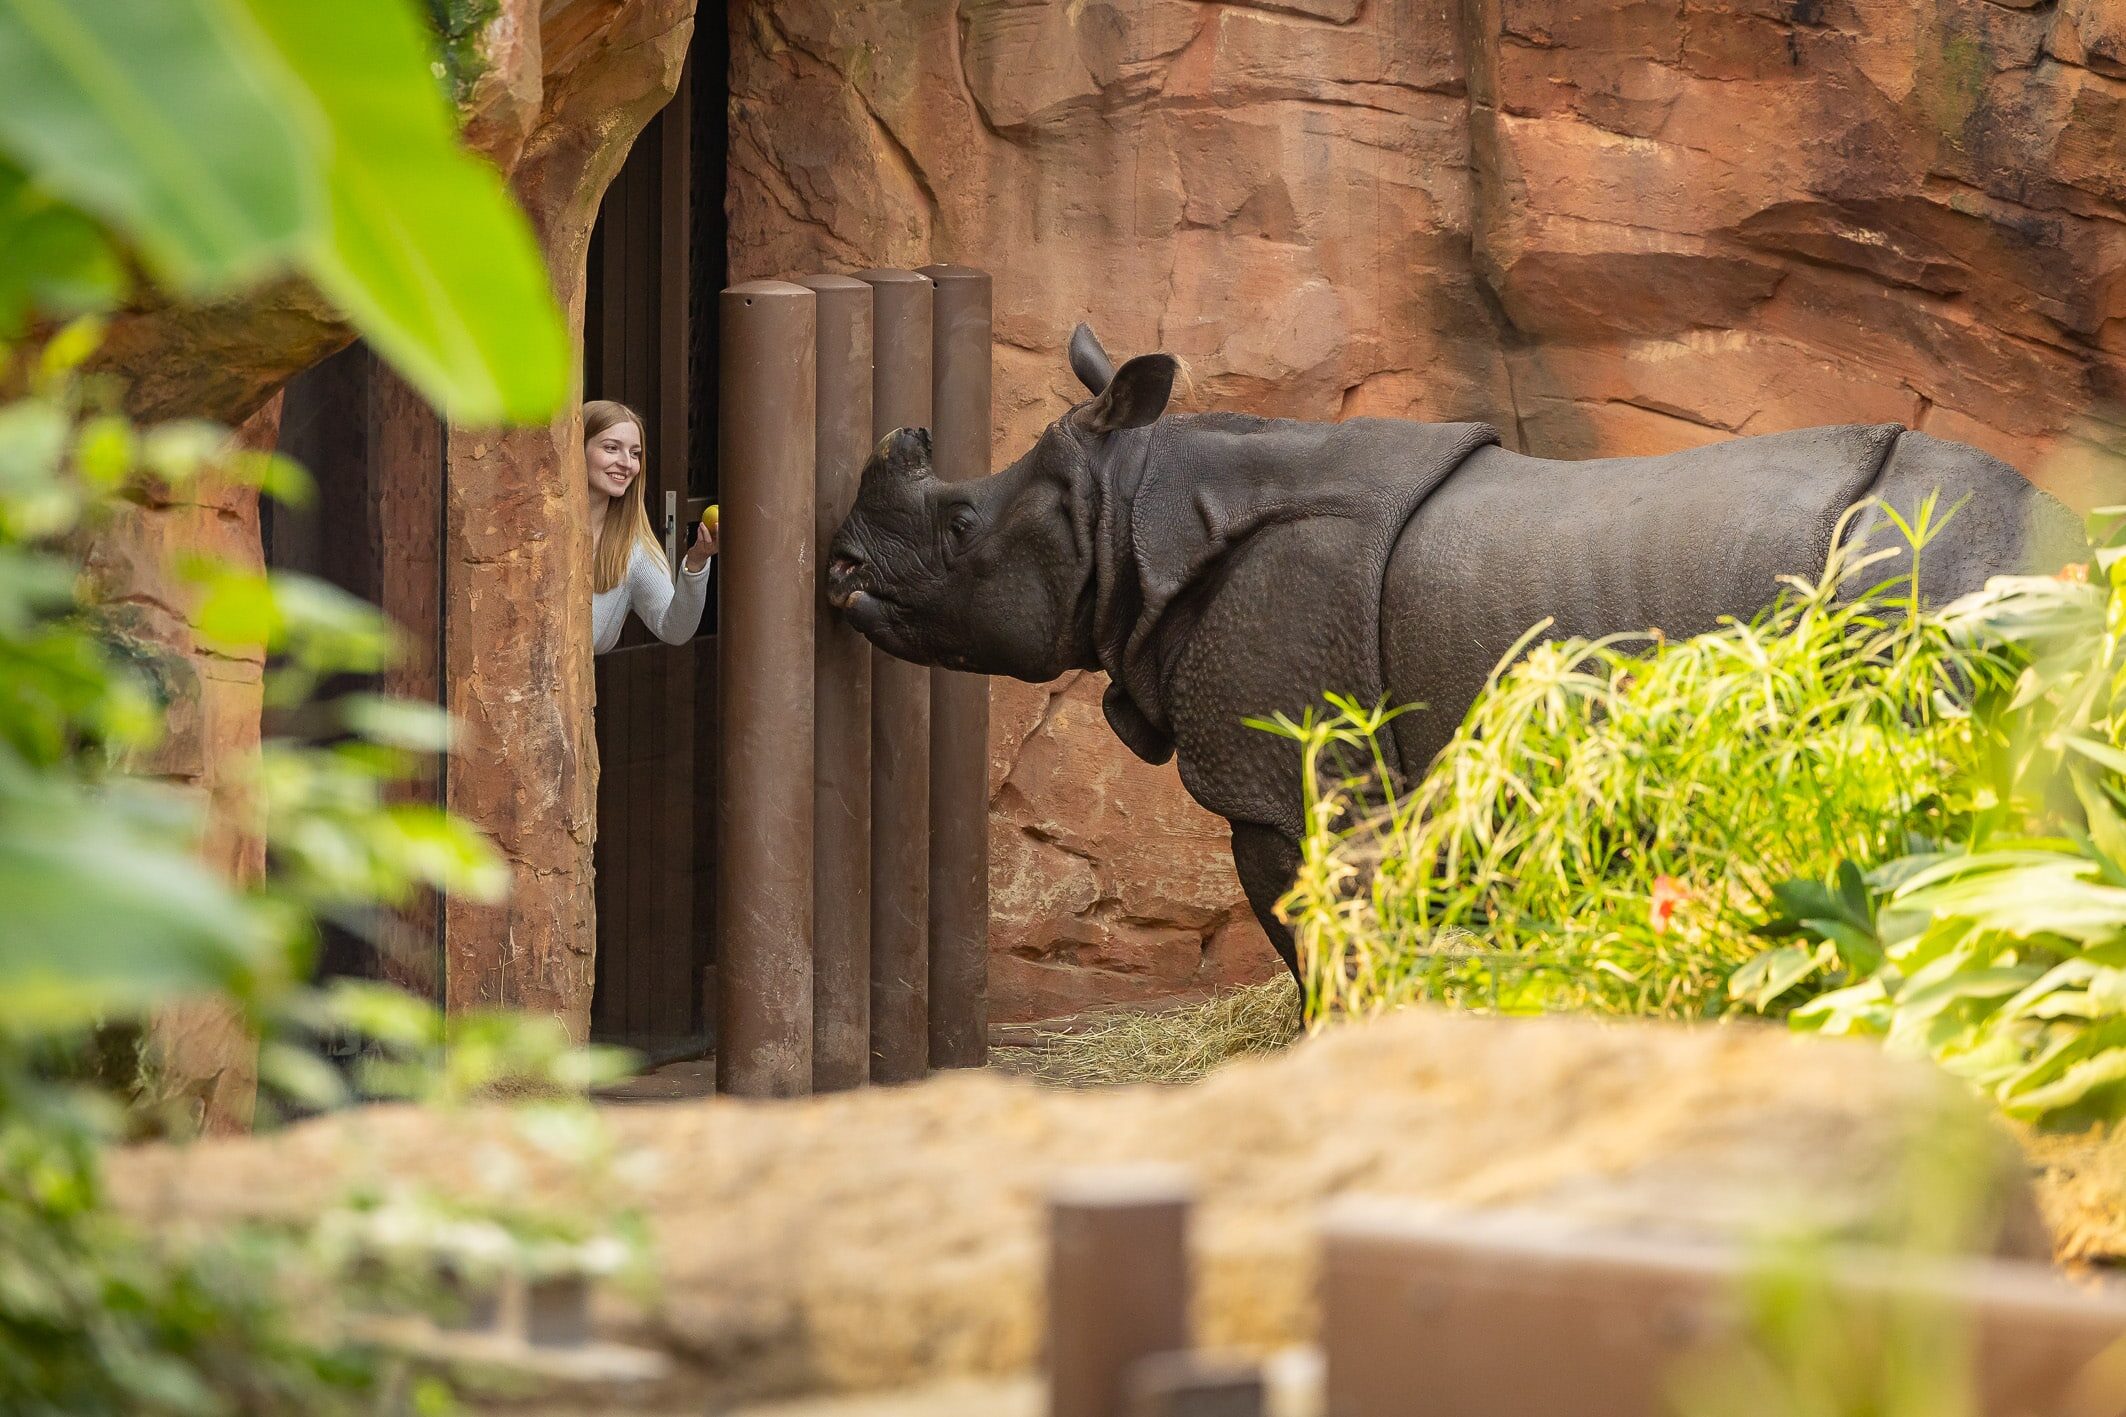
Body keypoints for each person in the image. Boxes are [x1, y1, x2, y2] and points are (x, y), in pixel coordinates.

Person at [586, 398, 715, 655]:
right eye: (611, 448)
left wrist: (696, 562)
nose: (627, 462)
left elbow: (674, 629)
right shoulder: (532, 533)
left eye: (635, 453)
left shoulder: (633, 549)